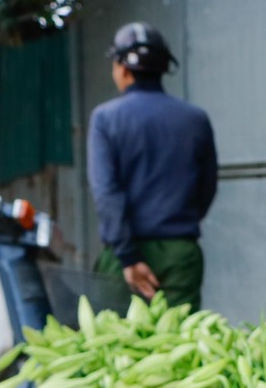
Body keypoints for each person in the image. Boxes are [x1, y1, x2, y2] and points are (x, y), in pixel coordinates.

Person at [87, 23, 218, 312]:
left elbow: (106, 193)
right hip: (180, 253)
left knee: (116, 348)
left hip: (124, 258)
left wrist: (129, 258)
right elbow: (207, 187)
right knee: (179, 347)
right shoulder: (195, 119)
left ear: (123, 68)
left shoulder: (106, 119)